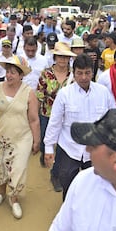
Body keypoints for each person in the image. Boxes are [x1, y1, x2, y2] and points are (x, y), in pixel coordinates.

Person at [44, 54, 116, 200]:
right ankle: (68, 213)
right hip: (69, 148)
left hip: (96, 151)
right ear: (74, 72)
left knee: (95, 187)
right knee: (68, 184)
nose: (83, 77)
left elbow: (112, 119)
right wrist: (49, 148)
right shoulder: (64, 94)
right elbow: (55, 122)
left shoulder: (103, 93)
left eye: (87, 73)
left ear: (93, 72)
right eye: (79, 73)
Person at [0, 55, 40, 219]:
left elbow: (34, 119)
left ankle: (14, 197)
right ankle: (1, 192)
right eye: (7, 72)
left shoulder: (29, 93)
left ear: (21, 75)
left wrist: (36, 140)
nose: (9, 75)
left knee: (18, 168)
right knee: (1, 164)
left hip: (22, 138)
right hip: (2, 135)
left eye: (13, 73)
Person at [36, 42, 76, 191]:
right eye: (60, 56)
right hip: (47, 114)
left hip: (66, 118)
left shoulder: (73, 75)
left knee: (61, 147)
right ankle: (44, 151)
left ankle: (55, 173)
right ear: (55, 57)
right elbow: (39, 94)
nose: (62, 60)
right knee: (45, 140)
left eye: (65, 57)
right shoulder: (46, 74)